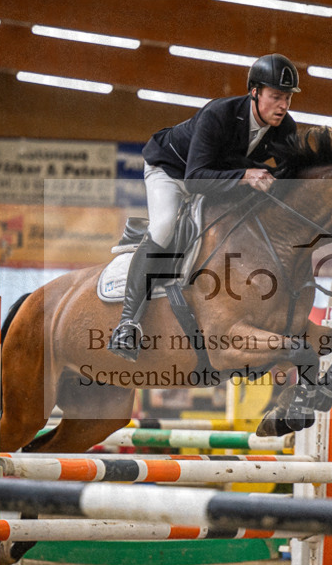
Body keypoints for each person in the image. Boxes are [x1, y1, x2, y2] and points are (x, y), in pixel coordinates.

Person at [109, 53, 302, 360]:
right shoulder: (219, 114)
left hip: (217, 179)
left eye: (288, 98)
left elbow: (291, 177)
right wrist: (245, 175)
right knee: (164, 225)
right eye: (276, 97)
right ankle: (127, 324)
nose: (283, 106)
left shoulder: (285, 127)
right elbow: (196, 178)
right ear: (255, 92)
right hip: (173, 173)